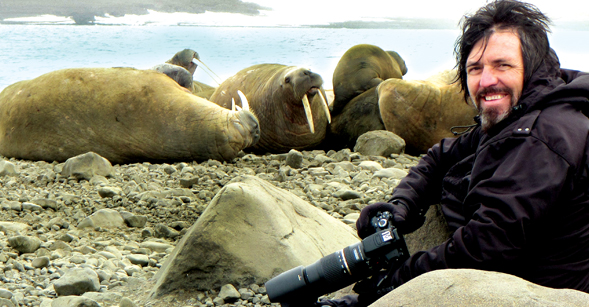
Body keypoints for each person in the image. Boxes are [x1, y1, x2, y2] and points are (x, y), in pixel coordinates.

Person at [320, 0, 589, 306]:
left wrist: (391, 285)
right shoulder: (524, 111)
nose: (486, 81)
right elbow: (441, 155)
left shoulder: (544, 136)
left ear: (533, 67)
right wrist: (399, 207)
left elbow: (486, 247)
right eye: (475, 68)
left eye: (503, 65)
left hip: (539, 293)